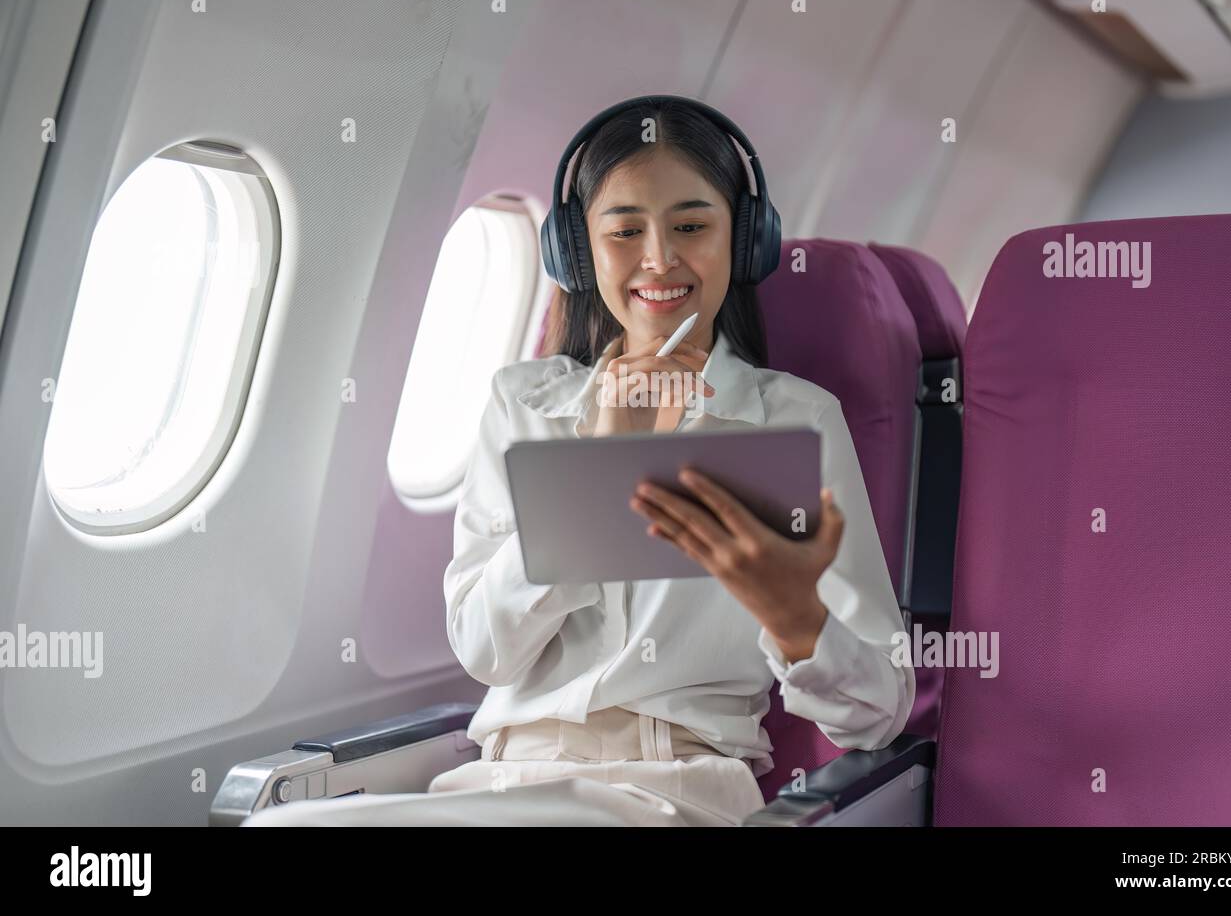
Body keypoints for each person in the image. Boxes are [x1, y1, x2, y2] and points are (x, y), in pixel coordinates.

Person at [243, 95, 914, 827]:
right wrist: (596, 466)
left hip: (675, 792)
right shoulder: (524, 404)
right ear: (579, 251)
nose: (659, 258)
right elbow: (484, 651)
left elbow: (877, 717)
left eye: (692, 225)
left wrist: (797, 621)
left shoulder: (796, 421)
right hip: (495, 788)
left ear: (743, 241)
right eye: (625, 230)